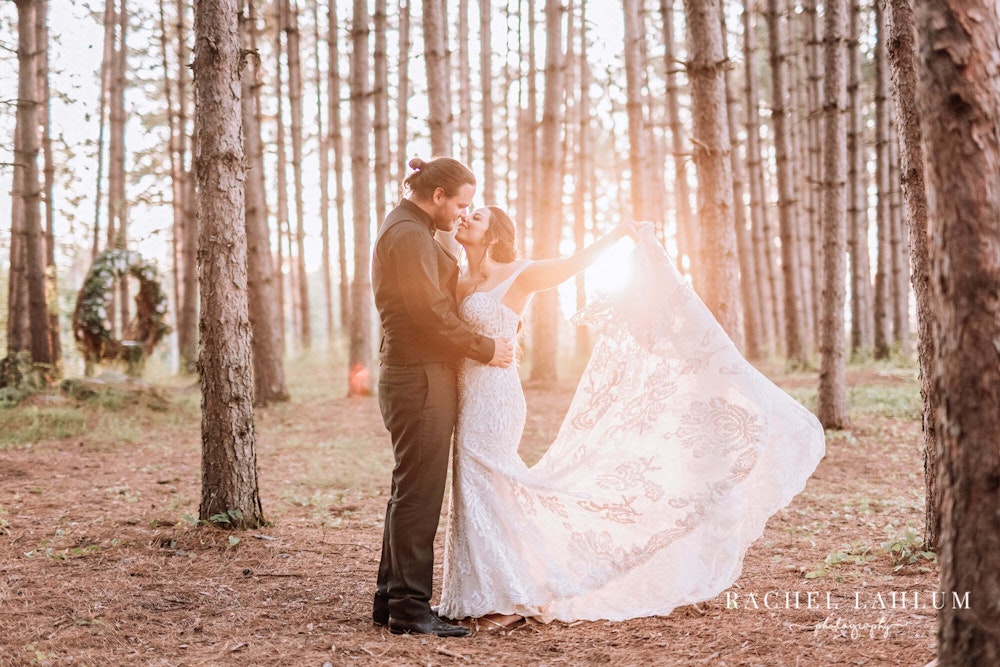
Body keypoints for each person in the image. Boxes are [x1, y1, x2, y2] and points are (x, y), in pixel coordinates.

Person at [438, 207, 826, 628]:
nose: (463, 219)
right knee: (471, 483)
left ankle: (509, 601)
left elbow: (571, 266)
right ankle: (481, 591)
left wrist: (618, 234)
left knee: (489, 482)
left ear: (493, 234)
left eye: (474, 217)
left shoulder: (519, 273)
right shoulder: (458, 279)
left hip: (496, 396)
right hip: (466, 392)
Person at [371, 158, 514, 638]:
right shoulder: (409, 236)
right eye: (460, 204)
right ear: (437, 197)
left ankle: (390, 600)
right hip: (419, 378)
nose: (461, 213)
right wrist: (484, 347)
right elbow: (429, 310)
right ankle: (410, 611)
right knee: (419, 495)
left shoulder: (411, 229)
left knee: (407, 490)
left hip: (415, 373)